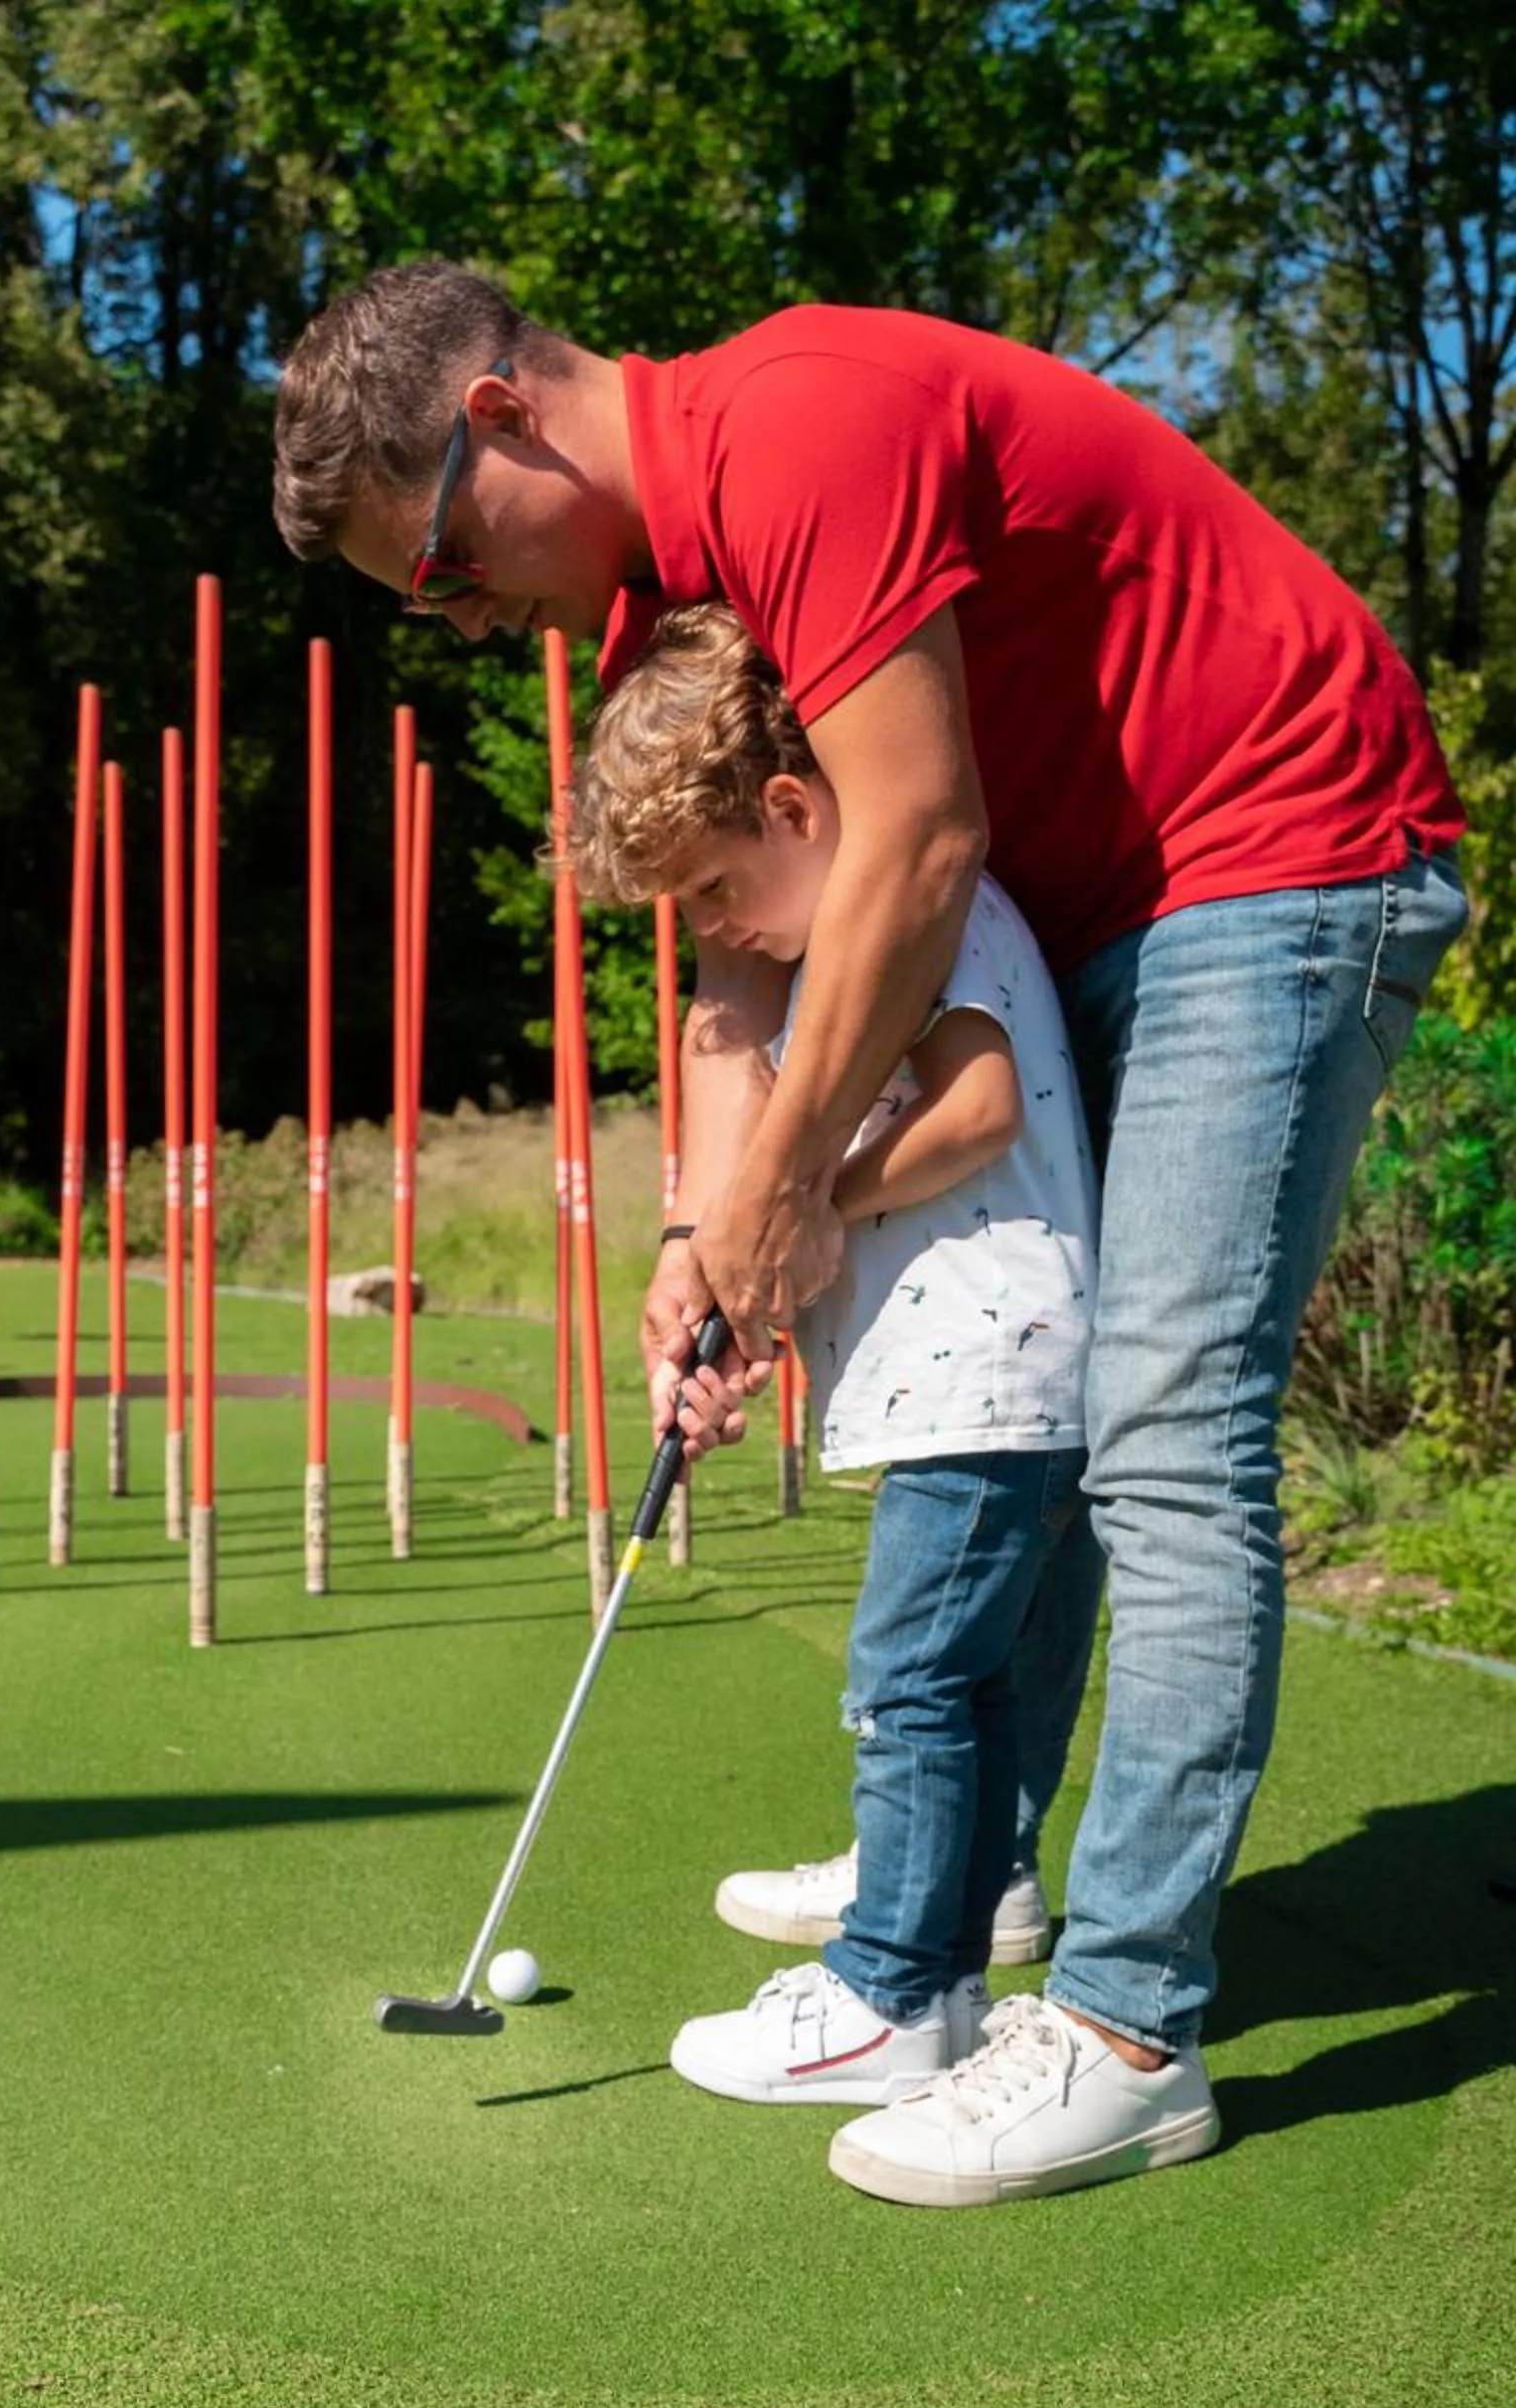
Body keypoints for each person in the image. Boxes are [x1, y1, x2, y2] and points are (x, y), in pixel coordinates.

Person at [272, 262, 1470, 2205]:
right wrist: (693, 1225)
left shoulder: (794, 423)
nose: (461, 617)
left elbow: (905, 842)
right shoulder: (658, 611)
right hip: (1104, 896)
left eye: (436, 569)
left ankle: (1126, 2030)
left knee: (1159, 1433)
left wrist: (783, 1207)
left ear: (498, 421)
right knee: (1074, 1444)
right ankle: (968, 1864)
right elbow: (736, 985)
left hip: (1272, 836)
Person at [560, 604, 1130, 2175]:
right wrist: (753, 1281)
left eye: (724, 889)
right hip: (999, 1378)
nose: (724, 930)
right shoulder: (830, 956)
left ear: (802, 812)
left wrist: (818, 1199)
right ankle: (952, 1907)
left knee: (910, 1681)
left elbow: (977, 1109)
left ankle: (892, 1992)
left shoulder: (930, 920)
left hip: (988, 1377)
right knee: (979, 1681)